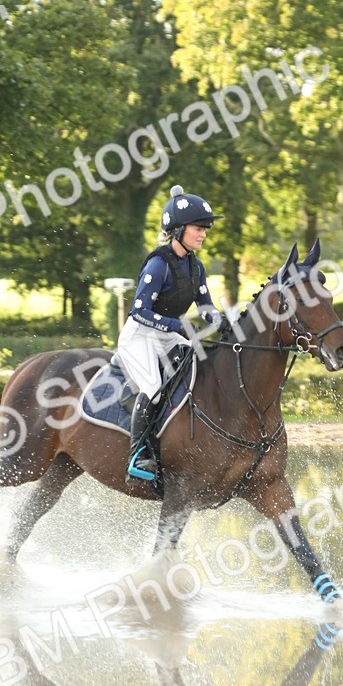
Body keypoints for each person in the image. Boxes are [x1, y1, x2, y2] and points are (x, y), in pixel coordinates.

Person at [117, 185, 223, 481]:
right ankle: (138, 455)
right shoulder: (158, 264)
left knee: (199, 370)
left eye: (205, 229)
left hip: (166, 335)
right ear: (177, 229)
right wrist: (179, 326)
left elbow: (205, 308)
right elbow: (138, 312)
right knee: (152, 387)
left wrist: (224, 321)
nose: (203, 234)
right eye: (198, 228)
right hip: (139, 335)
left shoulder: (195, 266)